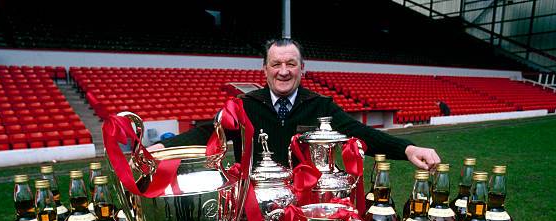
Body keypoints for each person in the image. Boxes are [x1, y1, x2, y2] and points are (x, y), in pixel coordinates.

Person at [153, 38, 441, 170]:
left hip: (306, 203)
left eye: (291, 63)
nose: (283, 71)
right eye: (276, 64)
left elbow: (360, 134)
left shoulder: (320, 106)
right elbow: (207, 133)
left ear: (302, 68)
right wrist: (164, 148)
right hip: (255, 206)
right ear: (264, 70)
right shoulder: (242, 106)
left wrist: (408, 148)